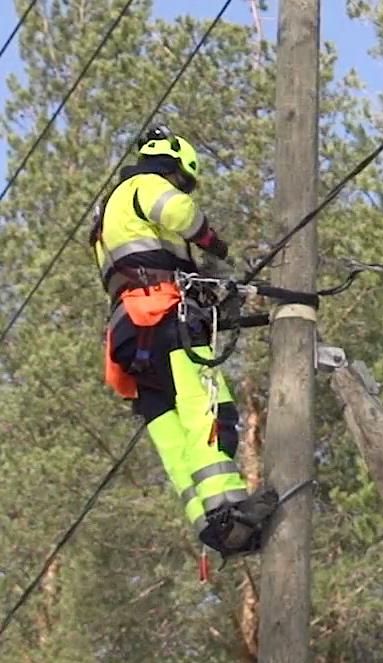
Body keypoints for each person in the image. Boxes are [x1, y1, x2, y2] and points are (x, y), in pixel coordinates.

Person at [90, 125, 277, 557]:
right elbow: (179, 214)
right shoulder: (145, 185)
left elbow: (146, 261)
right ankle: (231, 510)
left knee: (173, 440)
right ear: (175, 167)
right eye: (184, 181)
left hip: (128, 336)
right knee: (210, 411)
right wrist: (213, 241)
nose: (182, 188)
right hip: (160, 318)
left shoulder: (108, 214)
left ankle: (212, 525)